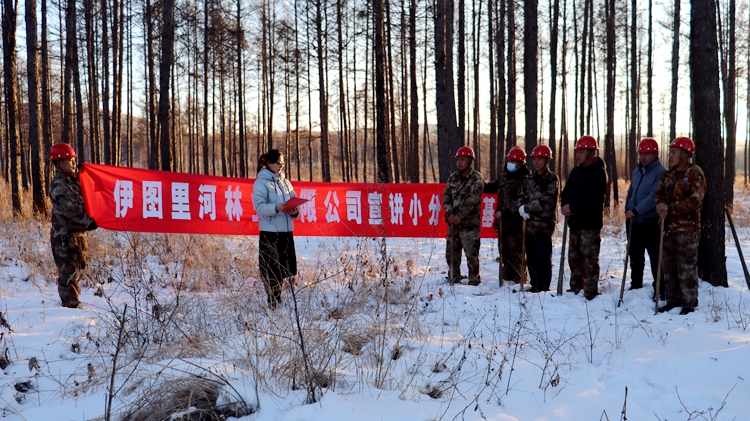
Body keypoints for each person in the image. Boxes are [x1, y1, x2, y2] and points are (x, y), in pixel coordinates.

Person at [655, 137, 706, 315]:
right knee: (669, 267)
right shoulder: (668, 175)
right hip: (667, 228)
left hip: (687, 229)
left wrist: (670, 208)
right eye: (670, 152)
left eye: (674, 152)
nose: (670, 156)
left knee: (686, 267)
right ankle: (672, 300)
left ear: (685, 154)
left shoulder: (695, 173)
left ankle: (689, 303)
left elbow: (695, 201)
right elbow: (659, 194)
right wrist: (660, 205)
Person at [49, 143, 98, 309]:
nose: (72, 163)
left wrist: (88, 171)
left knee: (78, 271)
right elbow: (71, 209)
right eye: (68, 161)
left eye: (73, 160)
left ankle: (73, 303)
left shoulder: (73, 181)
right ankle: (70, 307)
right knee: (68, 274)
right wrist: (88, 221)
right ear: (58, 164)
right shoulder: (58, 186)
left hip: (77, 236)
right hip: (65, 238)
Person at [561, 135, 607, 300]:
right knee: (574, 257)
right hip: (575, 223)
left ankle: (590, 291)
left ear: (591, 153)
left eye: (581, 151)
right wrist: (565, 205)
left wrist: (572, 207)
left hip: (590, 224)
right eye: (577, 152)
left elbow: (593, 198)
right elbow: (566, 191)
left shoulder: (599, 173)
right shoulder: (576, 171)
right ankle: (575, 288)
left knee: (589, 259)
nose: (578, 155)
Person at [252, 149, 300, 309]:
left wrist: (295, 211)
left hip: (286, 231)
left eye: (283, 163)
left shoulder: (285, 182)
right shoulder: (261, 182)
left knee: (283, 268)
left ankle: (278, 298)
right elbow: (259, 207)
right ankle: (273, 300)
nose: (281, 166)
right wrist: (277, 207)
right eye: (278, 163)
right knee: (271, 269)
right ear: (269, 164)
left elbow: (294, 200)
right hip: (270, 232)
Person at [624, 138, 667, 298]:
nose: (643, 157)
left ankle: (660, 289)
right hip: (634, 221)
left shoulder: (660, 171)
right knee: (635, 254)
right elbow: (631, 191)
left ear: (655, 154)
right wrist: (628, 208)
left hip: (650, 220)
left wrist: (635, 210)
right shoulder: (637, 171)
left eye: (646, 154)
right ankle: (636, 285)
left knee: (655, 256)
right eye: (641, 153)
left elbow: (654, 196)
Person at [483, 146, 531, 283]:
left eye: (514, 161)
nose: (510, 163)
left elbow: (519, 202)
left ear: (521, 163)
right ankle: (508, 274)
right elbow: (492, 187)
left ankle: (520, 278)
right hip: (503, 223)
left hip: (516, 223)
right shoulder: (504, 177)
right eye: (509, 160)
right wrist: (479, 185)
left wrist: (503, 212)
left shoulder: (525, 180)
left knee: (517, 252)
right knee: (504, 252)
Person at [517, 145, 560, 292]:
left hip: (543, 226)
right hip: (529, 226)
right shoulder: (530, 180)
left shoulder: (551, 179)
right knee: (532, 258)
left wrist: (527, 208)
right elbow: (521, 196)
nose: (536, 162)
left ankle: (543, 287)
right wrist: (520, 208)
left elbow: (547, 201)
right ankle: (534, 284)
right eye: (534, 159)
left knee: (543, 257)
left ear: (547, 160)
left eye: (539, 159)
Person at [443, 146, 485, 286]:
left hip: (469, 224)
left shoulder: (476, 178)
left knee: (471, 254)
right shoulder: (453, 177)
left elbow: (473, 199)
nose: (459, 163)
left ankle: (474, 280)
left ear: (470, 161)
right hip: (453, 223)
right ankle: (454, 276)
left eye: (463, 160)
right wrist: (449, 214)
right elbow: (446, 195)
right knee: (451, 253)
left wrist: (460, 215)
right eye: (458, 160)